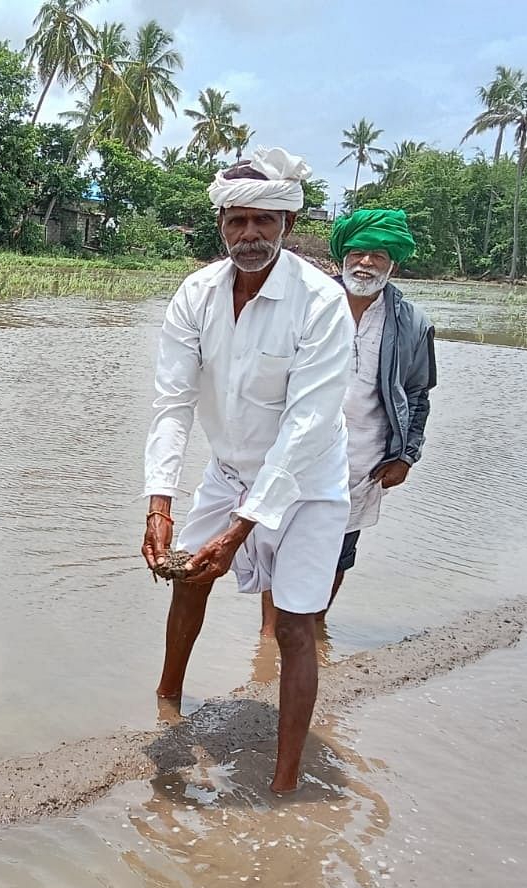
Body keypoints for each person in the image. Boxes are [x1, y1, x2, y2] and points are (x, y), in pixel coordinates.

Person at [141, 147, 353, 793]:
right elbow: (173, 403)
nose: (250, 235)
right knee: (187, 579)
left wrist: (240, 531)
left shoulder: (320, 302)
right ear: (222, 225)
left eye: (264, 222)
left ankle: (285, 783)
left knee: (293, 623)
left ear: (287, 226)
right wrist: (159, 503)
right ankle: (167, 704)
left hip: (308, 480)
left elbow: (308, 426)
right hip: (230, 469)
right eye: (237, 222)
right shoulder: (197, 293)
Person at [260, 209, 436, 639]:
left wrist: (406, 456)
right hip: (293, 449)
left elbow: (417, 394)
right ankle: (269, 637)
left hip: (362, 457)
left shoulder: (411, 323)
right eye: (358, 252)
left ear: (393, 262)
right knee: (273, 541)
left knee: (338, 550)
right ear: (343, 256)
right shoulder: (309, 303)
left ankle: (314, 627)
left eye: (378, 255)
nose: (366, 263)